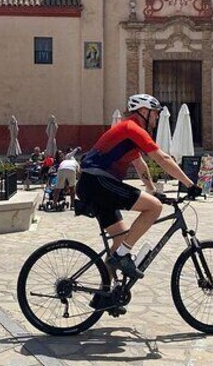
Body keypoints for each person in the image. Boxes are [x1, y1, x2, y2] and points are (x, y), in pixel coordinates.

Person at [77, 94, 202, 290]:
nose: (157, 117)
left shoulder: (128, 132)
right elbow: (162, 159)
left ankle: (105, 293)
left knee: (120, 239)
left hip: (93, 184)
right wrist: (189, 183)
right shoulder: (132, 128)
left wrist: (151, 189)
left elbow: (139, 163)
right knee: (154, 208)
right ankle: (122, 258)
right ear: (144, 112)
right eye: (155, 113)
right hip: (98, 181)